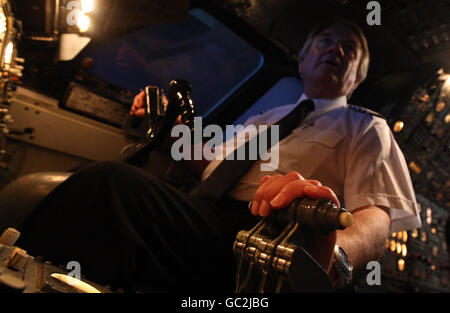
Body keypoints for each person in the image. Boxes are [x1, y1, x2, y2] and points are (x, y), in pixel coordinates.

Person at [15, 17, 420, 292]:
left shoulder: (366, 127)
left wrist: (333, 260)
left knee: (110, 184)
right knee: (92, 185)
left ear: (360, 75)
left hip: (263, 238)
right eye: (325, 42)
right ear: (304, 58)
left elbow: (378, 217)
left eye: (350, 48)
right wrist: (164, 123)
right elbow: (209, 161)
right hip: (202, 212)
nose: (336, 50)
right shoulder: (268, 116)